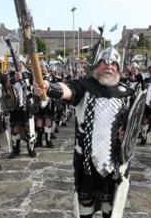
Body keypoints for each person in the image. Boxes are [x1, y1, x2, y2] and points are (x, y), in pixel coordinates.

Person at [34, 47, 135, 218]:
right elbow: (67, 90)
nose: (108, 67)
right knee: (85, 204)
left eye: (113, 64)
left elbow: (132, 124)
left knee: (110, 206)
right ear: (97, 66)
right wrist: (49, 88)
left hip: (116, 161)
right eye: (104, 63)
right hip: (87, 162)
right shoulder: (85, 87)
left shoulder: (127, 93)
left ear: (119, 69)